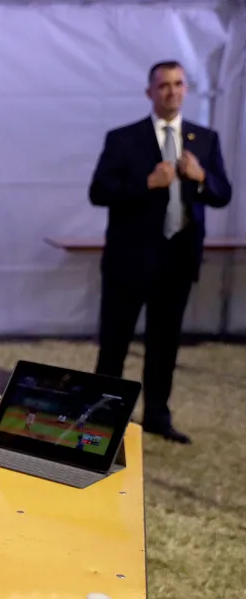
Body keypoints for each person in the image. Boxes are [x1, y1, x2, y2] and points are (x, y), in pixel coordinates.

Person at [89, 60, 232, 444]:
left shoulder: (204, 139)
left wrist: (201, 178)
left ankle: (156, 416)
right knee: (115, 345)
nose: (172, 91)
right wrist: (147, 182)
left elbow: (223, 194)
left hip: (177, 262)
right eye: (164, 85)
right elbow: (98, 192)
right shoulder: (123, 138)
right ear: (150, 92)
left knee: (164, 346)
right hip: (128, 262)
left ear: (186, 90)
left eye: (178, 84)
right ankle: (102, 418)